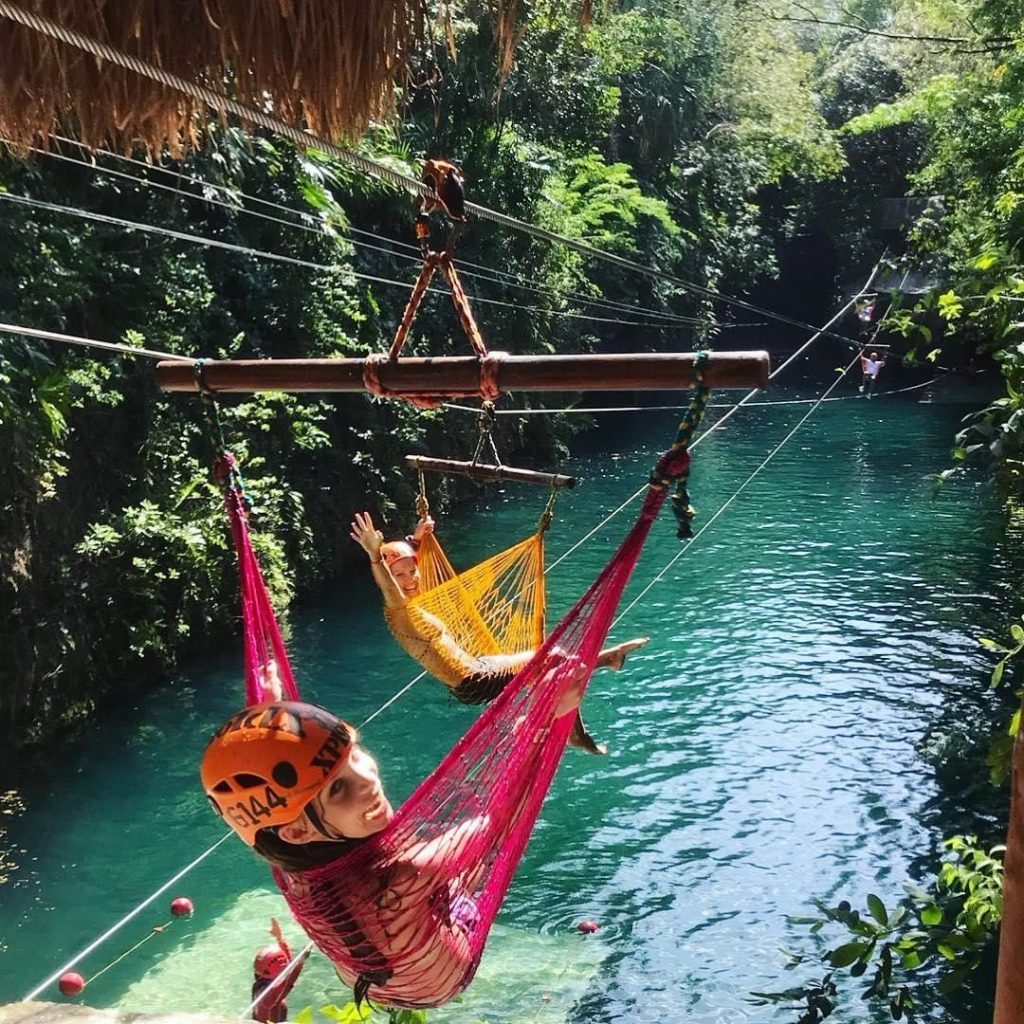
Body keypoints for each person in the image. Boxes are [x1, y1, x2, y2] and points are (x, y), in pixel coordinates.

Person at [201, 687, 584, 1008]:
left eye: (354, 755)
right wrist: (540, 724)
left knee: (428, 871)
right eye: (338, 788)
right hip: (439, 981)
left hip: (369, 973)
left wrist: (272, 705)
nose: (368, 776)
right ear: (298, 832)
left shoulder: (288, 863)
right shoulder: (405, 873)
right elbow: (500, 820)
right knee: (466, 866)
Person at [349, 510, 648, 753]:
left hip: (478, 668)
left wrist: (416, 539)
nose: (410, 578)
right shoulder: (397, 610)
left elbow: (408, 571)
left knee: (551, 664)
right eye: (399, 575)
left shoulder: (415, 599)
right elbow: (390, 586)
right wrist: (375, 556)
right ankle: (600, 669)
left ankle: (579, 723)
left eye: (412, 571)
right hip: (471, 680)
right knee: (556, 658)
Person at [250, 917, 308, 1022]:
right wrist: (301, 961)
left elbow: (287, 968)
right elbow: (289, 981)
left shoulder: (259, 985)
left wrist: (280, 939)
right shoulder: (271, 993)